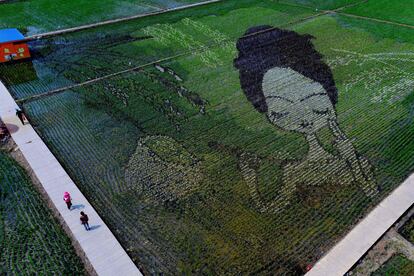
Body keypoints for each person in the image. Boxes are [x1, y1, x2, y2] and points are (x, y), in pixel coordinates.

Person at [233, 26, 378, 213]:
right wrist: (251, 178)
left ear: (328, 93)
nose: (304, 120)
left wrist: (351, 157)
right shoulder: (293, 171)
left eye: (316, 105)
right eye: (282, 112)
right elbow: (269, 207)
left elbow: (373, 193)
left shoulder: (356, 159)